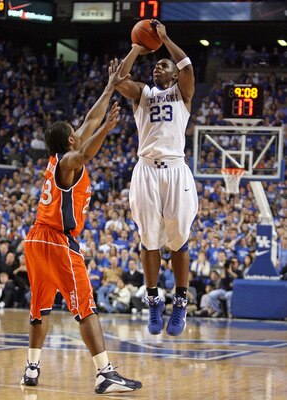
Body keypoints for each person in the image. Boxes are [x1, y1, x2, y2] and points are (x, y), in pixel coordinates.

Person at [20, 59, 142, 395]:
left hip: (35, 239)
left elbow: (90, 118)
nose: (81, 130)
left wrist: (109, 86)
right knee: (84, 307)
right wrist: (107, 129)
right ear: (71, 141)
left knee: (39, 307)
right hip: (58, 241)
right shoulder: (69, 163)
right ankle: (105, 372)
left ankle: (31, 368)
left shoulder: (59, 156)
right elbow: (85, 153)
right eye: (77, 134)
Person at [115, 20, 198, 336]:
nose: (156, 69)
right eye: (155, 67)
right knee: (148, 240)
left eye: (163, 66)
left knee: (178, 241)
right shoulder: (142, 95)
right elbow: (119, 79)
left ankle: (180, 302)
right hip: (146, 170)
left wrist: (164, 39)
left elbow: (187, 66)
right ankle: (153, 301)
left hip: (176, 170)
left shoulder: (183, 93)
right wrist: (137, 47)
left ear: (174, 74)